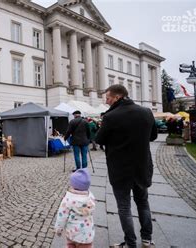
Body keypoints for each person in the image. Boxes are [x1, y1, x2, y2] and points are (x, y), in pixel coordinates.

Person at [95, 84, 157, 248]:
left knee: (124, 207)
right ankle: (147, 239)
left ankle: (131, 243)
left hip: (120, 168)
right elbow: (153, 136)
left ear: (117, 97)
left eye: (108, 98)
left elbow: (99, 139)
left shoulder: (111, 116)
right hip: (141, 167)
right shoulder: (146, 112)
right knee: (143, 203)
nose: (106, 102)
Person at [54, 168, 96, 247]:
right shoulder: (91, 198)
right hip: (87, 235)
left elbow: (62, 215)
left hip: (72, 234)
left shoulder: (68, 199)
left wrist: (58, 229)